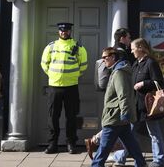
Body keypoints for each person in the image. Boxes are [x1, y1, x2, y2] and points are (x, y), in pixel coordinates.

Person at [111, 38, 164, 167]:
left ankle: (159, 160)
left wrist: (143, 83)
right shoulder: (136, 63)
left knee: (154, 133)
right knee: (128, 133)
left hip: (149, 106)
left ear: (141, 48)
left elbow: (159, 81)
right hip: (135, 105)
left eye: (133, 48)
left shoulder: (151, 63)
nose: (131, 51)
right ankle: (120, 157)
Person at [91, 47, 146, 167]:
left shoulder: (119, 73)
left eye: (105, 57)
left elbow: (123, 95)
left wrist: (124, 113)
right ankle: (141, 164)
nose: (103, 60)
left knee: (104, 148)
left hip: (115, 117)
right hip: (120, 117)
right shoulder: (117, 70)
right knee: (132, 145)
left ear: (113, 57)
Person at [41, 22, 88, 154]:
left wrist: (73, 76)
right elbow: (44, 64)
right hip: (54, 87)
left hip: (71, 87)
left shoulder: (78, 47)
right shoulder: (51, 47)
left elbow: (83, 65)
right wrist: (52, 74)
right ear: (58, 32)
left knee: (71, 117)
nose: (64, 32)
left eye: (66, 30)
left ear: (70, 31)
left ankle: (71, 144)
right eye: (61, 30)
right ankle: (52, 144)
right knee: (53, 117)